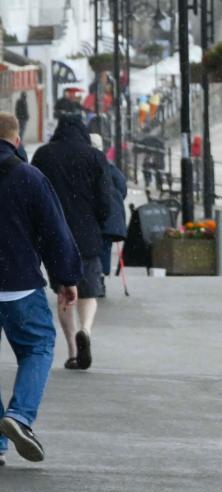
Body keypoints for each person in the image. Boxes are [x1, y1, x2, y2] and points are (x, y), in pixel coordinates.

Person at [0, 112, 83, 466]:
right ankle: (19, 416)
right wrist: (66, 277)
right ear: (16, 140)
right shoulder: (28, 176)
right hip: (18, 282)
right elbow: (54, 231)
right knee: (38, 346)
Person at [31, 115, 114, 371]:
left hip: (55, 233)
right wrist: (99, 222)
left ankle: (72, 349)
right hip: (88, 233)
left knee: (64, 292)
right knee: (89, 291)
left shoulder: (44, 155)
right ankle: (86, 330)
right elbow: (106, 200)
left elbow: (33, 192)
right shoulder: (94, 156)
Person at [90, 133, 128, 286]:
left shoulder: (84, 165)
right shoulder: (109, 166)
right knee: (104, 247)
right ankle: (101, 277)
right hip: (109, 216)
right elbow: (122, 188)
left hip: (92, 216)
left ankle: (93, 277)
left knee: (89, 247)